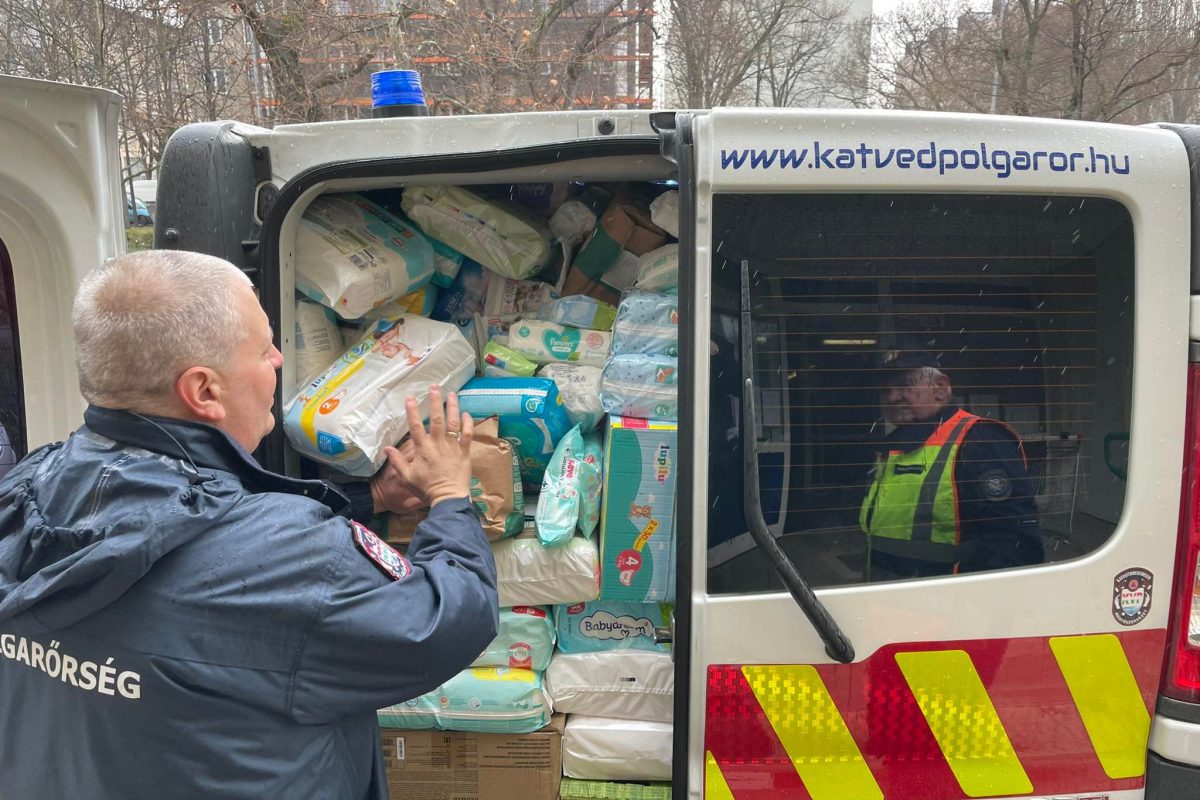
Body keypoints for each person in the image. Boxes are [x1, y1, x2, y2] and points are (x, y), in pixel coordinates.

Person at [0, 251, 498, 800]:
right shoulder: (292, 556)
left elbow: (185, 529)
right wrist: (450, 496)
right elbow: (447, 621)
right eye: (263, 350)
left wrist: (372, 496)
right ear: (204, 391)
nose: (281, 359)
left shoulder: (22, 492)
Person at [859, 350, 1043, 580]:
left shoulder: (980, 440)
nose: (893, 397)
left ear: (940, 387)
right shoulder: (889, 447)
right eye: (886, 390)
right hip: (882, 599)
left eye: (905, 385)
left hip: (946, 605)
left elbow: (1013, 543)